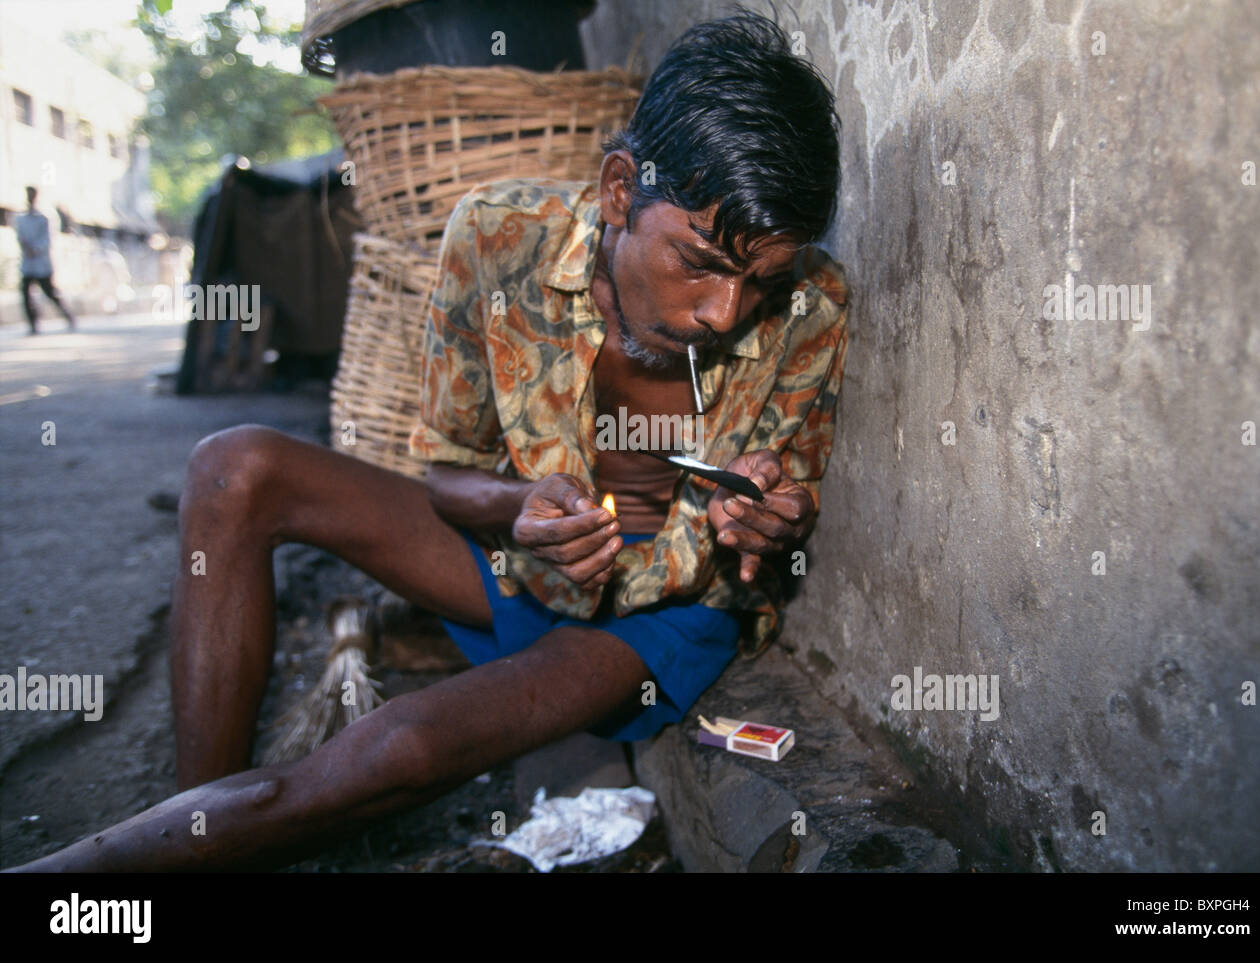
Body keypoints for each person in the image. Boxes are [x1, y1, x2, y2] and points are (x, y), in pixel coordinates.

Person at [9, 11, 848, 872]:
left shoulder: (812, 310)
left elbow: (785, 500)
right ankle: (195, 826)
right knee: (232, 468)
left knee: (401, 746)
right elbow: (446, 471)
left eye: (764, 280)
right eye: (701, 262)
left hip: (655, 618)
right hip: (514, 563)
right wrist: (519, 508)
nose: (724, 311)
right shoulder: (495, 236)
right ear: (618, 191)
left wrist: (766, 520)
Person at [15, 186, 76, 333]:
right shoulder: (20, 218)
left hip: (41, 263)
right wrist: (25, 247)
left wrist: (35, 249)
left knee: (50, 293)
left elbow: (48, 239)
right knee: (25, 294)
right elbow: (19, 236)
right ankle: (33, 324)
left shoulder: (45, 217)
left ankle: (68, 315)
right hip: (27, 263)